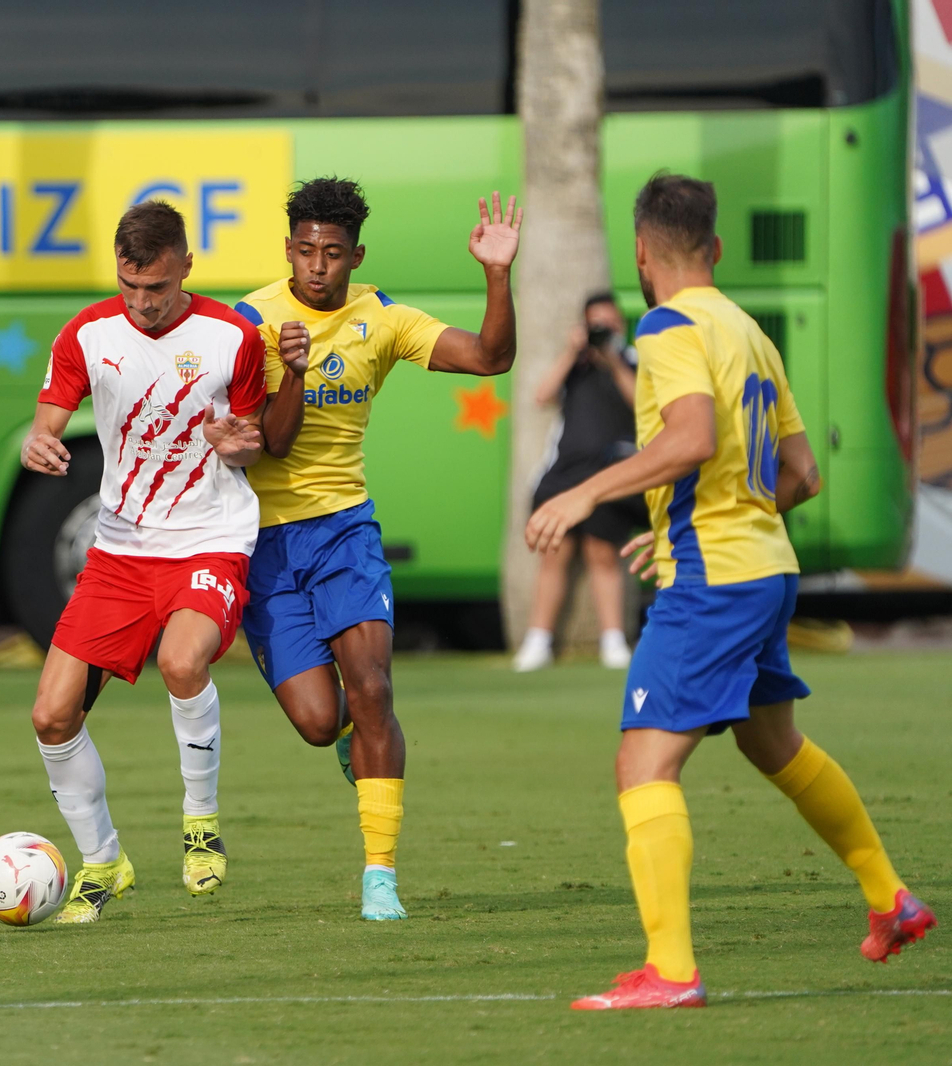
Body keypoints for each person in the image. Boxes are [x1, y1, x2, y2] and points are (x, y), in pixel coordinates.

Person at [526, 173, 936, 1010]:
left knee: (643, 761)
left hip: (714, 578)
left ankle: (671, 972)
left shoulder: (669, 326)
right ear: (713, 249)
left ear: (642, 253)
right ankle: (890, 896)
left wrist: (585, 492)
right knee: (771, 743)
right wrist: (702, 513)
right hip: (763, 566)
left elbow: (691, 438)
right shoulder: (747, 330)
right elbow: (803, 473)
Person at [234, 178, 520, 919]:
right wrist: (292, 370)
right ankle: (348, 739)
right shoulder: (251, 322)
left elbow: (491, 359)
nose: (317, 266)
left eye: (332, 253)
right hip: (263, 545)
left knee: (375, 691)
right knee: (320, 720)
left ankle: (380, 875)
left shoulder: (383, 319)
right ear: (288, 250)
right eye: (305, 251)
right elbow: (270, 442)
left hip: (345, 533)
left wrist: (496, 274)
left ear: (356, 254)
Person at [22, 200, 266, 923]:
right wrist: (41, 445)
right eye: (130, 289)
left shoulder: (230, 337)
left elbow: (257, 437)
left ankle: (201, 824)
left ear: (186, 266)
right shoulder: (88, 334)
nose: (143, 304)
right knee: (51, 714)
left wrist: (238, 444)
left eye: (156, 289)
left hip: (209, 537)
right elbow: (46, 422)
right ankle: (103, 861)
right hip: (122, 548)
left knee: (183, 662)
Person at [513, 293, 649, 673]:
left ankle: (612, 642)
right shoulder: (576, 365)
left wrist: (613, 360)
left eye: (608, 324)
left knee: (601, 552)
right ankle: (538, 641)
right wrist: (574, 352)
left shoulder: (634, 361)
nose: (602, 331)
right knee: (554, 552)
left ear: (621, 325)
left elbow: (642, 404)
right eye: (595, 325)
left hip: (610, 475)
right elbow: (542, 395)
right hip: (564, 474)